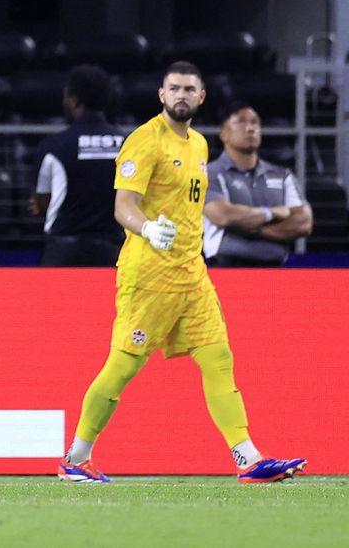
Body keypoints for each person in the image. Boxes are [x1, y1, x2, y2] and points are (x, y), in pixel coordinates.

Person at [57, 61, 306, 484]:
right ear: (161, 94)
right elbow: (124, 208)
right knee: (123, 365)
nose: (181, 95)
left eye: (189, 89)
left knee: (218, 358)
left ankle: (248, 459)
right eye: (174, 88)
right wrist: (148, 227)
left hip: (192, 275)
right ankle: (76, 457)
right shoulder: (143, 141)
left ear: (201, 97)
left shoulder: (199, 146)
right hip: (149, 274)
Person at [29, 65, 125, 266]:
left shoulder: (53, 146)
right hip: (117, 255)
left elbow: (41, 202)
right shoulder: (130, 144)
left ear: (72, 99)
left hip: (64, 256)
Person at [203, 102, 313, 266]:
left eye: (255, 122)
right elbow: (223, 216)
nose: (250, 128)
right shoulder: (208, 173)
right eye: (240, 122)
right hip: (225, 269)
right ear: (223, 134)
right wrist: (272, 213)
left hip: (273, 273)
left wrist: (253, 229)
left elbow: (304, 222)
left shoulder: (282, 175)